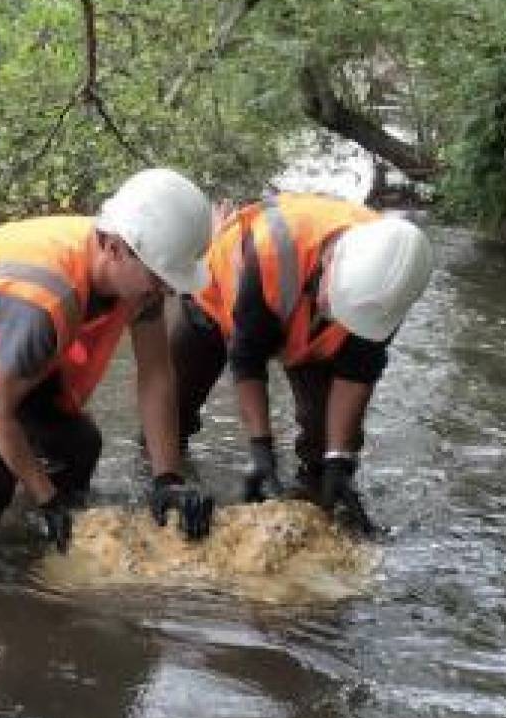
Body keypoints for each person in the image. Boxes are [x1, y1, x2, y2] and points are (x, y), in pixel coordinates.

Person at [0, 169, 218, 553]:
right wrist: (48, 499)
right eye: (159, 276)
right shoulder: (45, 301)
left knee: (77, 444)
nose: (166, 289)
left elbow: (156, 375)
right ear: (112, 247)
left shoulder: (138, 277)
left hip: (4, 330)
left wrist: (167, 479)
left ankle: (39, 536)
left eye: (170, 278)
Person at [169, 192, 433, 536]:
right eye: (335, 301)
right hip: (215, 298)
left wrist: (338, 458)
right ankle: (162, 481)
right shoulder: (270, 252)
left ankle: (318, 495)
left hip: (304, 332)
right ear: (331, 258)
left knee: (326, 450)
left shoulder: (390, 288)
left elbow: (357, 373)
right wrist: (260, 449)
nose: (336, 312)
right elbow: (247, 360)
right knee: (172, 409)